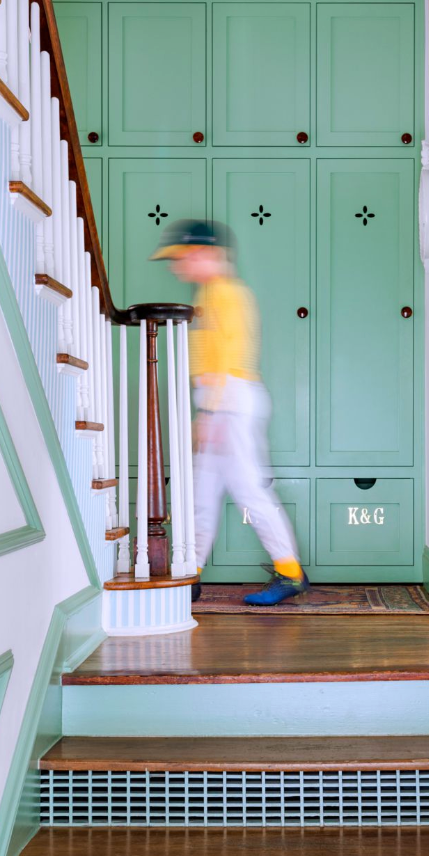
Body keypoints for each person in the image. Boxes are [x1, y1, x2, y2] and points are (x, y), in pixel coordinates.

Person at [151, 219, 309, 606]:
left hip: (231, 404)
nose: (177, 265)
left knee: (248, 492)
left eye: (183, 256)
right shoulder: (211, 291)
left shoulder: (227, 293)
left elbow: (232, 353)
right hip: (221, 403)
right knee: (200, 495)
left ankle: (290, 573)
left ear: (208, 254)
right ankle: (189, 574)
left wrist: (211, 413)